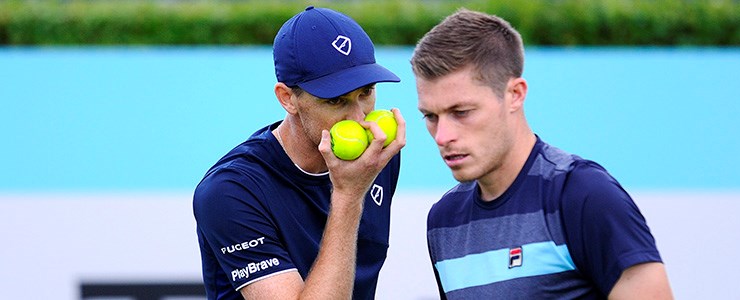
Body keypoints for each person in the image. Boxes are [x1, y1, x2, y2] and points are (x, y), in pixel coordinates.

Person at [411, 9, 673, 299]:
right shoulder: (444, 220)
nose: (442, 136)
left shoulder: (583, 195)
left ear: (515, 95)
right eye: (430, 116)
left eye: (461, 112)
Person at [193, 6, 405, 300]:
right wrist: (347, 197)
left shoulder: (378, 156)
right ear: (288, 98)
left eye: (366, 93)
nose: (359, 119)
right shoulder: (229, 191)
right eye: (336, 101)